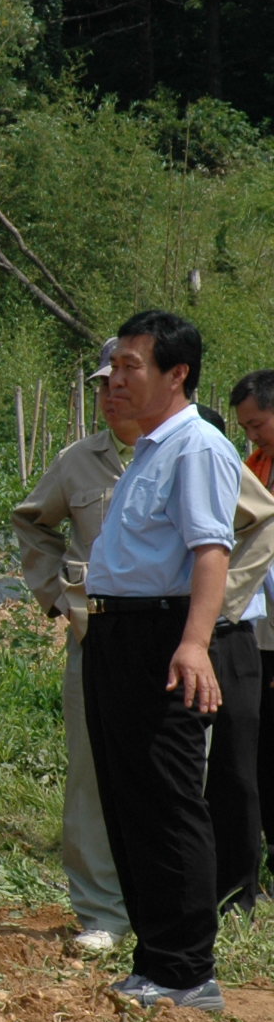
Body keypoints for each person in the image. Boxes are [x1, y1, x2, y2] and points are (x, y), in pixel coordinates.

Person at [78, 311, 237, 1010]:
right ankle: (156, 958)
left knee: (168, 801)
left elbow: (211, 553)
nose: (117, 377)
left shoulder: (196, 447)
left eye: (132, 365)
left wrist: (194, 643)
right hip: (116, 635)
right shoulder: (150, 447)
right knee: (128, 795)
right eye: (115, 365)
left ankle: (186, 968)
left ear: (177, 374)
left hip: (161, 637)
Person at [10, 340, 132, 949]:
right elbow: (32, 520)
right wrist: (59, 594)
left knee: (180, 775)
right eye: (103, 384)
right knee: (90, 775)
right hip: (99, 635)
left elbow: (254, 524)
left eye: (122, 380)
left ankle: (172, 902)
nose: (112, 394)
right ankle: (102, 912)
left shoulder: (190, 452)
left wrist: (226, 603)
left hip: (178, 638)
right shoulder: (79, 460)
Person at [185, 405, 274, 914]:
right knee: (185, 763)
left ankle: (240, 888)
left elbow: (263, 539)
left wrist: (219, 604)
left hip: (234, 634)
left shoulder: (234, 475)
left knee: (236, 765)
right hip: (181, 632)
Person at [235, 370, 274, 889]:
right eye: (245, 428)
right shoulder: (254, 466)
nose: (252, 435)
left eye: (258, 423)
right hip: (259, 628)